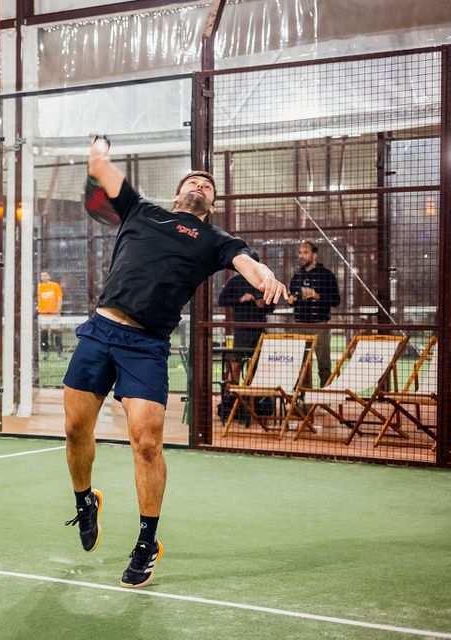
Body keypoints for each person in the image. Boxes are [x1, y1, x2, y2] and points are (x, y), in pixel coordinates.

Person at [63, 137, 287, 588]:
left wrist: (267, 277)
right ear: (177, 193)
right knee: (74, 429)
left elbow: (247, 264)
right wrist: (99, 156)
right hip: (100, 331)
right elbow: (105, 175)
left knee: (145, 443)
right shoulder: (141, 209)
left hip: (146, 346)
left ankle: (147, 542)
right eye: (193, 179)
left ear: (211, 203)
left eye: (208, 184)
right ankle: (85, 500)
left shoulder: (216, 239)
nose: (200, 183)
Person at [286, 241, 340, 386]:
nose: (301, 256)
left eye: (305, 252)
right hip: (299, 325)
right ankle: (304, 401)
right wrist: (291, 300)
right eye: (300, 253)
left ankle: (325, 400)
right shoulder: (296, 277)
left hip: (320, 326)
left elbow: (336, 300)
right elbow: (292, 298)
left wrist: (317, 296)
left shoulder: (327, 275)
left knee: (324, 365)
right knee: (299, 365)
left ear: (314, 255)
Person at [217, 273, 276, 383]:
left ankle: (253, 397)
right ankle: (234, 395)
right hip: (241, 330)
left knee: (257, 366)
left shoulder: (263, 280)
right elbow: (221, 300)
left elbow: (272, 307)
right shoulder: (234, 281)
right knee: (236, 363)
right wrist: (241, 299)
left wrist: (263, 304)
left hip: (259, 329)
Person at [37, 271, 64, 360]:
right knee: (43, 334)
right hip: (43, 315)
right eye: (42, 276)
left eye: (45, 275)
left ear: (49, 276)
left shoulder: (54, 286)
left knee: (56, 333)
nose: (43, 277)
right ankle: (45, 353)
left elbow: (59, 299)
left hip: (53, 314)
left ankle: (60, 353)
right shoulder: (38, 287)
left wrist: (58, 311)